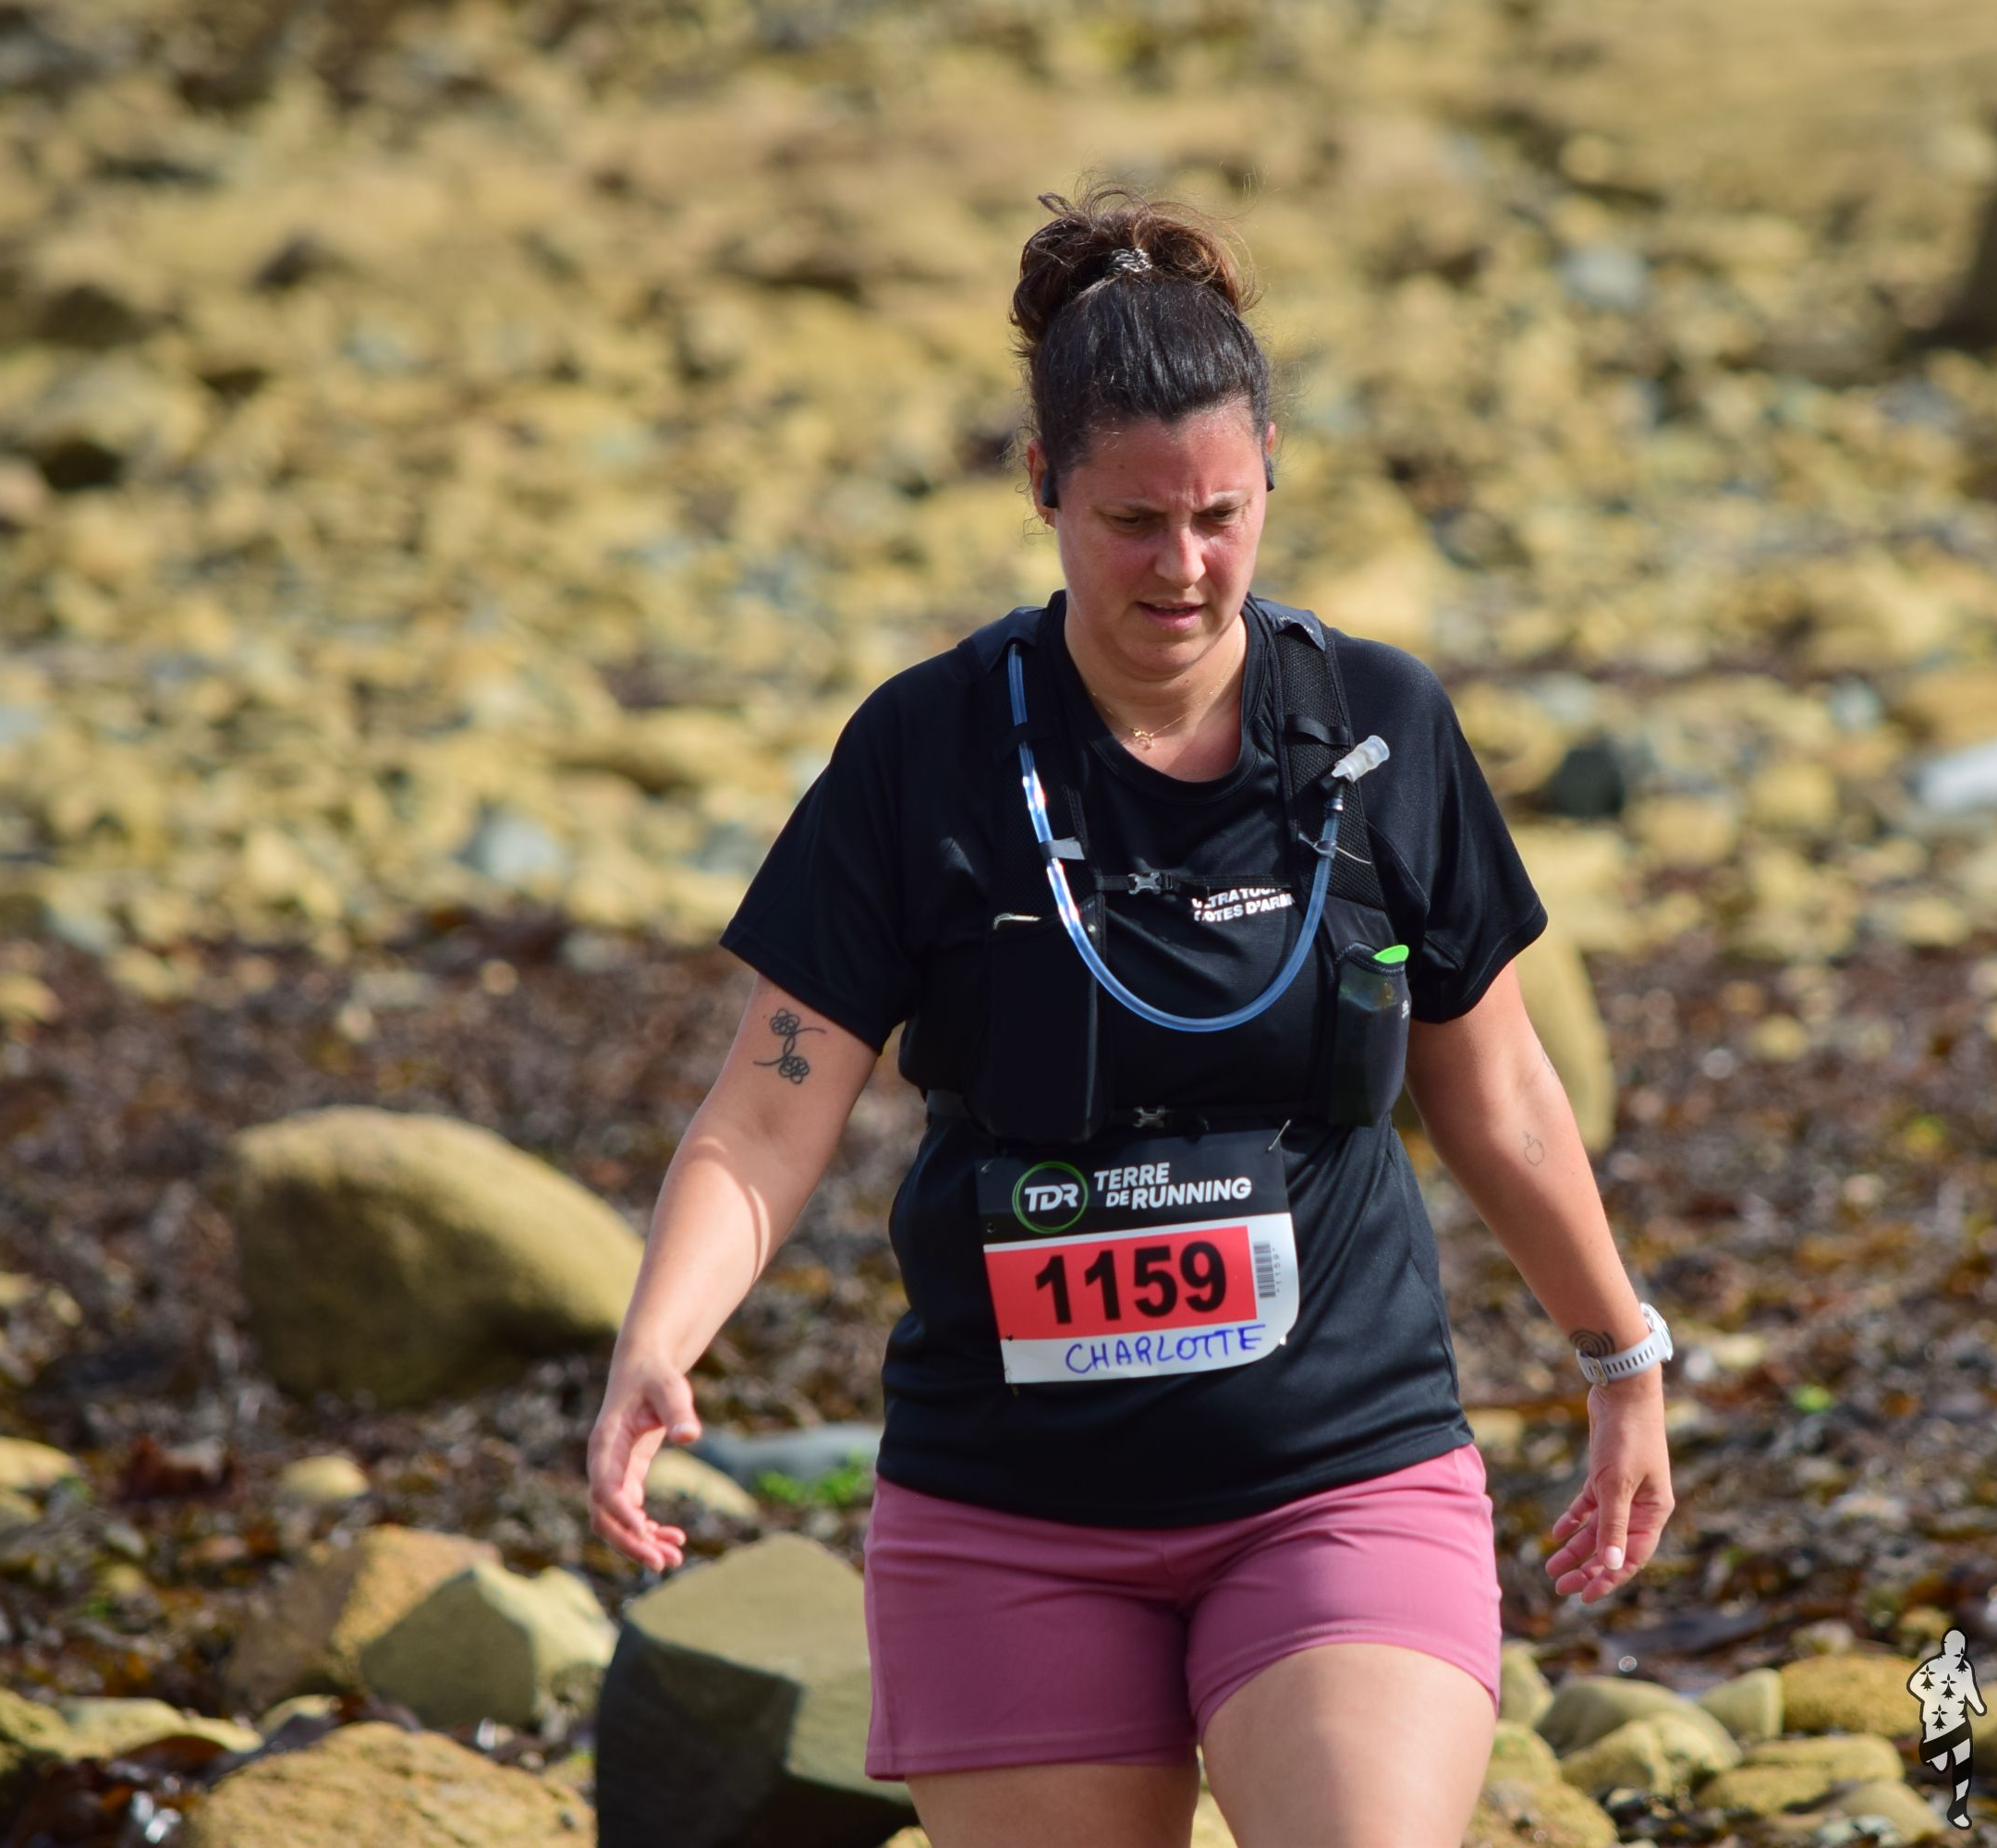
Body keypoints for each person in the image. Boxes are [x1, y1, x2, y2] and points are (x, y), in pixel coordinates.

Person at [588, 181, 1679, 1848]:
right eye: (1132, 522)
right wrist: (658, 1342)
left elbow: (1506, 1093)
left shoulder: (1381, 726)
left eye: (1222, 516)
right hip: (1008, 1513)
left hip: (1339, 1472)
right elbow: (768, 1104)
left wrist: (1621, 1355)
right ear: (1042, 484)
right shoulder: (926, 751)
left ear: (1270, 481)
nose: (1185, 568)